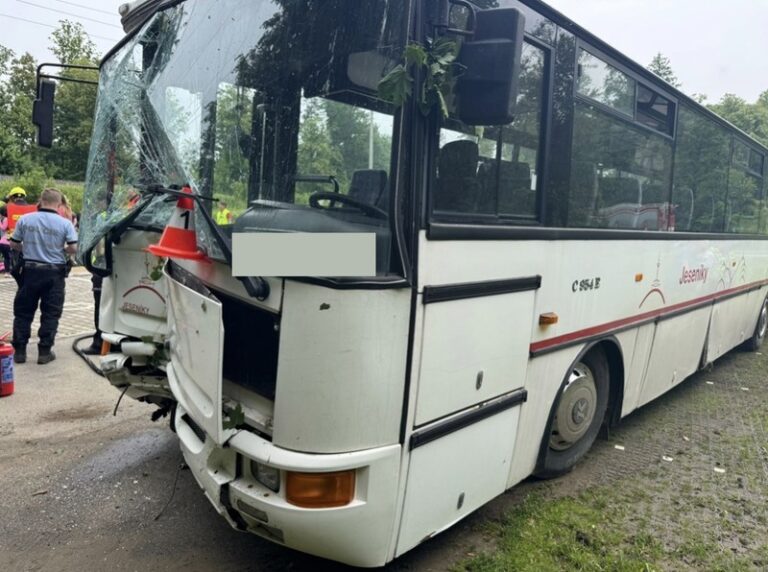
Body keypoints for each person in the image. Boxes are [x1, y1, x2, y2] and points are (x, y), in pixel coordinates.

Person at [10, 188, 78, 365]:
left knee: (23, 312)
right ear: (59, 204)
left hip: (30, 272)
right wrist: (60, 249)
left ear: (41, 201)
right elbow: (73, 248)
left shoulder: (26, 220)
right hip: (54, 274)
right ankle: (44, 352)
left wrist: (28, 248)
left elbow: (14, 243)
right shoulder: (65, 224)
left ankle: (19, 352)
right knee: (51, 313)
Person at [0, 206, 10, 274]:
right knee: (7, 258)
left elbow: (3, 228)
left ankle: (7, 271)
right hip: (5, 241)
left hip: (5, 241)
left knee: (7, 258)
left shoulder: (6, 219)